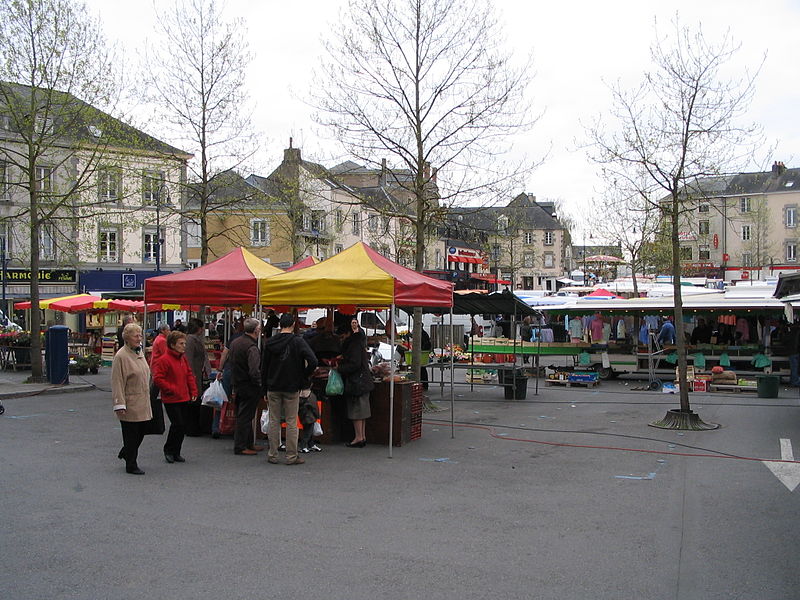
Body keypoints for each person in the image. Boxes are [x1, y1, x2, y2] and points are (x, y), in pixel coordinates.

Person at [261, 313, 318, 465]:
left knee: (274, 420)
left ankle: (272, 454)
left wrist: (264, 388)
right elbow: (313, 360)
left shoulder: (270, 342)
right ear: (293, 325)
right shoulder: (298, 341)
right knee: (292, 421)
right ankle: (291, 456)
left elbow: (264, 367)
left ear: (280, 325)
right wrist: (303, 376)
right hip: (292, 386)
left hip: (273, 386)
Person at [152, 331, 198, 463]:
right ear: (172, 345)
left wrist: (193, 391)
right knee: (177, 424)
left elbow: (189, 374)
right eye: (181, 343)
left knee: (182, 425)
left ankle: (176, 451)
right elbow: (158, 379)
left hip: (183, 396)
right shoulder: (164, 360)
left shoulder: (182, 358)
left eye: (184, 343)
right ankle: (169, 449)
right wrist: (171, 389)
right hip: (171, 398)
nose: (184, 346)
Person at [111, 323, 152, 475]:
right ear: (127, 338)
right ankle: (131, 463)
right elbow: (117, 382)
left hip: (143, 400)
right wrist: (119, 403)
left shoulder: (139, 352)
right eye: (136, 336)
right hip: (130, 401)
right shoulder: (121, 356)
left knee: (142, 431)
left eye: (140, 335)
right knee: (131, 434)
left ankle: (126, 451)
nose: (139, 338)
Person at [229, 318, 265, 456]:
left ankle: (248, 443)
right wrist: (259, 383)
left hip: (237, 382)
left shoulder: (235, 342)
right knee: (245, 416)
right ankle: (240, 446)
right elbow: (254, 370)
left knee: (244, 414)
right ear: (256, 330)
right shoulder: (252, 347)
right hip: (249, 385)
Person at [337, 317, 375, 448]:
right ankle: (362, 436)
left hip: (357, 381)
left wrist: (339, 367)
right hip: (363, 380)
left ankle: (358, 437)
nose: (341, 339)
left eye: (342, 336)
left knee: (357, 411)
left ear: (348, 334)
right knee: (362, 411)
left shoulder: (353, 344)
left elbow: (354, 364)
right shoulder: (359, 342)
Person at [213, 319, 244, 437]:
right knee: (241, 401)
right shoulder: (252, 340)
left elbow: (224, 354)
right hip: (242, 372)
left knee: (221, 399)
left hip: (229, 369)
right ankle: (238, 430)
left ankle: (216, 427)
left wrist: (220, 370)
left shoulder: (233, 338)